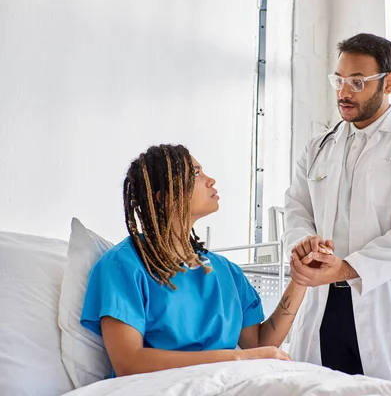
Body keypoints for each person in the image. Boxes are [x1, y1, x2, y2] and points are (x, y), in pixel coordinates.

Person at [283, 33, 391, 389]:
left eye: (357, 82)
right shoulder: (317, 148)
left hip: (385, 305)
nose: (344, 92)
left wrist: (346, 268)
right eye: (339, 80)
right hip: (323, 307)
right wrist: (303, 244)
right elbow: (297, 207)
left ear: (388, 82)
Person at [80, 144, 306, 377]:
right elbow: (129, 362)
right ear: (164, 197)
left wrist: (300, 280)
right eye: (196, 174)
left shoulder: (226, 271)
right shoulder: (123, 265)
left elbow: (259, 344)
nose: (211, 180)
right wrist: (235, 358)